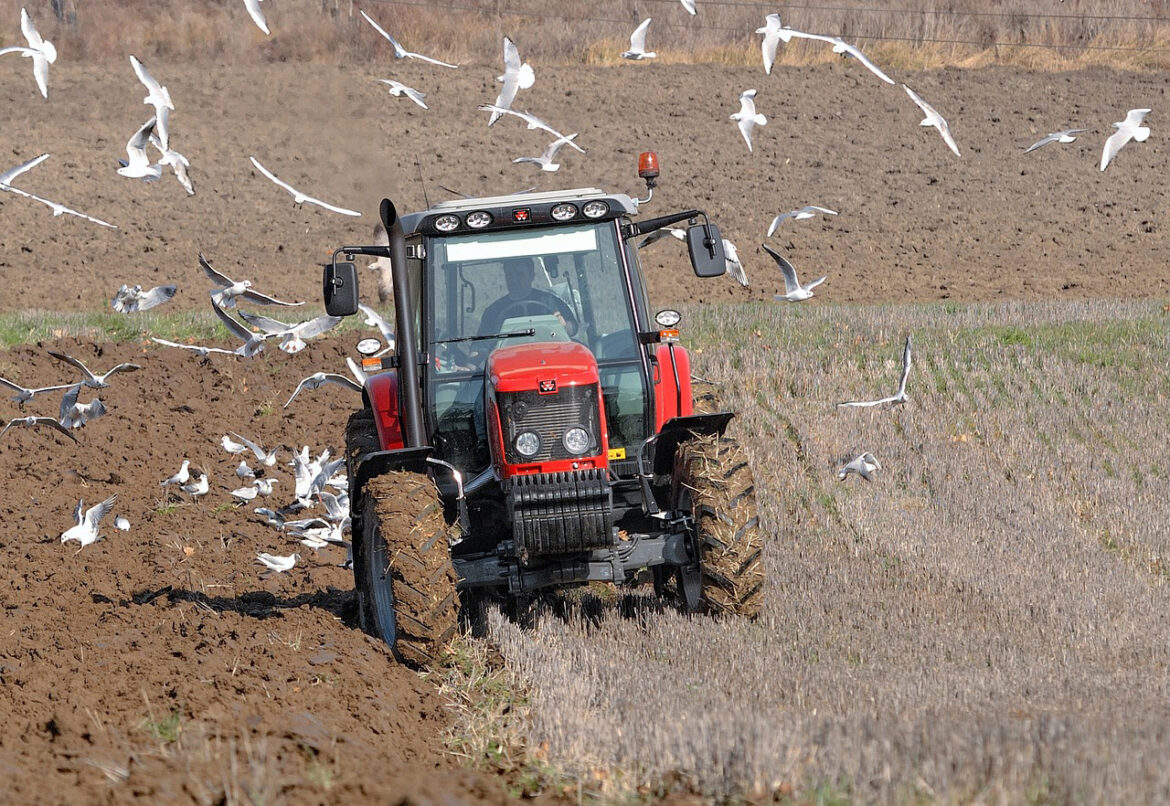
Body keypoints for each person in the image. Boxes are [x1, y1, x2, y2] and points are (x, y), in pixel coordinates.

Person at [477, 256, 578, 337]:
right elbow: (481, 345)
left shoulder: (549, 301)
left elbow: (574, 328)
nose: (514, 280)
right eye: (510, 275)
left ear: (531, 275)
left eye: (520, 274)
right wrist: (471, 363)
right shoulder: (493, 311)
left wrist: (564, 326)